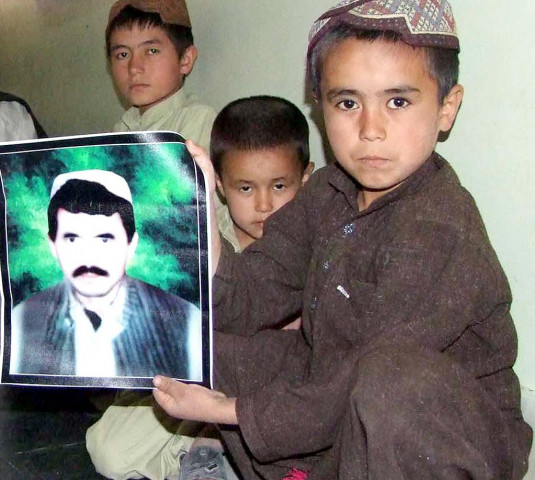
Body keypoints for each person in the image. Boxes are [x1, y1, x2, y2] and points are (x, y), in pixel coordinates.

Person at [152, 1, 533, 479]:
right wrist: (203, 221)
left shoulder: (439, 228)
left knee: (387, 382)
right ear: (322, 106)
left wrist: (229, 410)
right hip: (340, 388)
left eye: (398, 102)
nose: (370, 131)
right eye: (348, 103)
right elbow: (254, 291)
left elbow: (362, 374)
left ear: (446, 108)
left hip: (438, 432)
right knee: (211, 344)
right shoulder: (326, 191)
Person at [86, 96, 313, 480]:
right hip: (200, 381)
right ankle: (205, 441)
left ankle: (215, 446)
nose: (264, 205)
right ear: (220, 185)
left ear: (305, 179)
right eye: (245, 188)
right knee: (108, 451)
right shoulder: (203, 237)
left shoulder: (315, 246)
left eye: (279, 186)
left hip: (267, 393)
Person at [10, 169, 201, 380]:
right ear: (52, 245)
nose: (88, 258)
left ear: (131, 244)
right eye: (72, 239)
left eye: (104, 239)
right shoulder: (22, 321)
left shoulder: (185, 322)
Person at [106, 0, 216, 151]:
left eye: (152, 51)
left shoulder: (197, 120)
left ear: (185, 60)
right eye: (123, 54)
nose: (134, 68)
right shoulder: (121, 128)